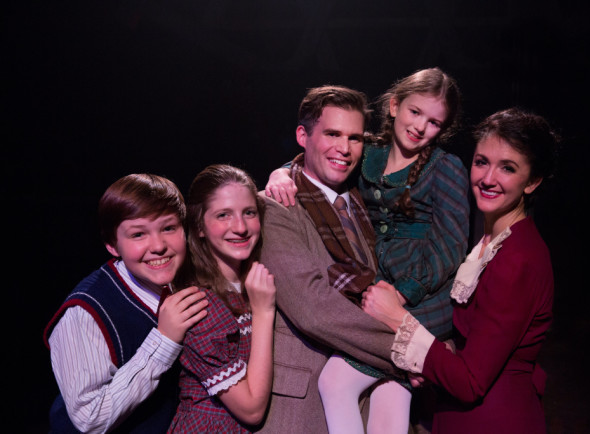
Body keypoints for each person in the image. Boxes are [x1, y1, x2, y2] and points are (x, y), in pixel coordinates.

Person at [265, 68, 470, 433]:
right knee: (382, 395)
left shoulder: (445, 168)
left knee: (345, 384)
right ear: (394, 106)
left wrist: (403, 298)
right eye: (415, 112)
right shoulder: (368, 153)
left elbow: (451, 246)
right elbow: (319, 157)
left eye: (435, 122)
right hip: (380, 290)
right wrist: (281, 172)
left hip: (420, 294)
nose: (421, 127)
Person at [362, 107, 558, 434]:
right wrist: (443, 353)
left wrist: (396, 317)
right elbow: (477, 346)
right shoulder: (493, 242)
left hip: (494, 421)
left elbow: (470, 381)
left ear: (532, 181)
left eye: (507, 168)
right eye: (481, 162)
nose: (488, 178)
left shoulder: (518, 258)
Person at [255, 85, 402, 434]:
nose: (344, 148)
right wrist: (410, 350)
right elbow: (313, 310)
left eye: (354, 138)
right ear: (302, 136)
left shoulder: (365, 200)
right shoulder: (275, 206)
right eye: (332, 134)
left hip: (366, 398)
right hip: (303, 410)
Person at [44, 174, 209, 433]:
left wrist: (285, 173)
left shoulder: (183, 277)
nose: (158, 246)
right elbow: (90, 417)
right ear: (112, 245)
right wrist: (164, 340)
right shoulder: (86, 313)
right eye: (138, 234)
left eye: (168, 228)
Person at [168, 164, 276, 433]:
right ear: (200, 226)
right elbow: (251, 410)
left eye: (249, 213)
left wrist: (282, 173)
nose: (239, 227)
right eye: (223, 215)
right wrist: (263, 313)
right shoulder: (199, 304)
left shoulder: (253, 281)